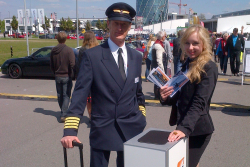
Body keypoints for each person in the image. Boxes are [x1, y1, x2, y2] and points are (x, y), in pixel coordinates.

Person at [61, 3, 146, 167]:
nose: (119, 28)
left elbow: (138, 93)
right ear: (108, 24)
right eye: (116, 23)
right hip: (104, 125)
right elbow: (80, 94)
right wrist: (70, 130)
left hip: (131, 126)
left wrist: (141, 116)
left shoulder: (136, 57)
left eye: (124, 24)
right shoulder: (92, 56)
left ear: (129, 27)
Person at [159, 25, 218, 167]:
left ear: (204, 44)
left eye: (195, 43)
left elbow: (199, 101)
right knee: (186, 163)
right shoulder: (188, 64)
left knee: (186, 164)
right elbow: (178, 95)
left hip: (198, 129)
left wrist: (183, 128)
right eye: (187, 43)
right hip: (184, 125)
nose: (190, 47)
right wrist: (165, 96)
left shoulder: (209, 67)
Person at [50, 31, 75, 122]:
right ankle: (64, 114)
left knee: (60, 95)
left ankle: (63, 110)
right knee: (66, 95)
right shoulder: (69, 50)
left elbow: (51, 64)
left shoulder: (53, 50)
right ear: (66, 39)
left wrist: (55, 72)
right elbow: (73, 64)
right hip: (66, 75)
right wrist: (73, 74)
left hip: (57, 75)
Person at [76, 31, 99, 120]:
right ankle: (97, 116)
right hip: (98, 76)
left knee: (88, 100)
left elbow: (79, 65)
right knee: (97, 98)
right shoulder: (98, 48)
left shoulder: (83, 50)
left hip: (87, 77)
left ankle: (91, 117)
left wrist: (78, 78)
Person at [151, 31, 168, 99]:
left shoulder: (156, 44)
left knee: (158, 82)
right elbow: (159, 59)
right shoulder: (158, 45)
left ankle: (157, 95)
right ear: (162, 37)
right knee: (159, 82)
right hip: (158, 66)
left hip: (155, 65)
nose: (165, 37)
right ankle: (158, 96)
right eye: (165, 36)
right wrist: (162, 70)